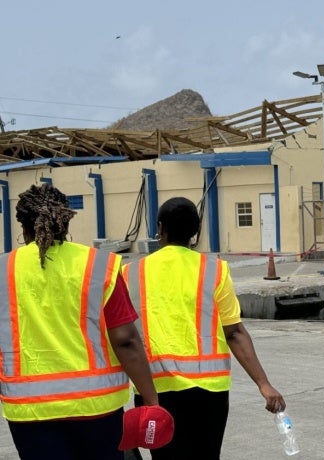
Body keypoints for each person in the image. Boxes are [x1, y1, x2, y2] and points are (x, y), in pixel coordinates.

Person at [0, 183, 161, 460]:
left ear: (23, 229)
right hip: (97, 408)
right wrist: (150, 399)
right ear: (65, 220)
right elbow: (126, 340)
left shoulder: (4, 270)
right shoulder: (100, 265)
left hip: (30, 412)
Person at [122, 196, 286, 459]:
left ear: (160, 229)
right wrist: (263, 383)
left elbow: (122, 338)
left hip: (155, 390)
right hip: (210, 393)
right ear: (195, 233)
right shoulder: (215, 270)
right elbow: (234, 332)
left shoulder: (130, 273)